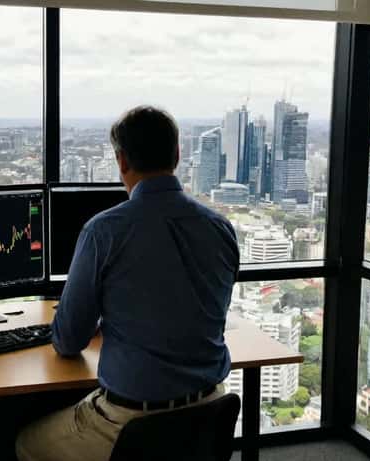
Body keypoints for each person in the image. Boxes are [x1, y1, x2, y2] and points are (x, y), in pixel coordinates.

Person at [16, 105, 240, 461]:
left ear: (121, 161)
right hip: (210, 410)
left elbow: (69, 341)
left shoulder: (103, 231)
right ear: (178, 155)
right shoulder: (221, 228)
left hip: (131, 423)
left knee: (25, 442)